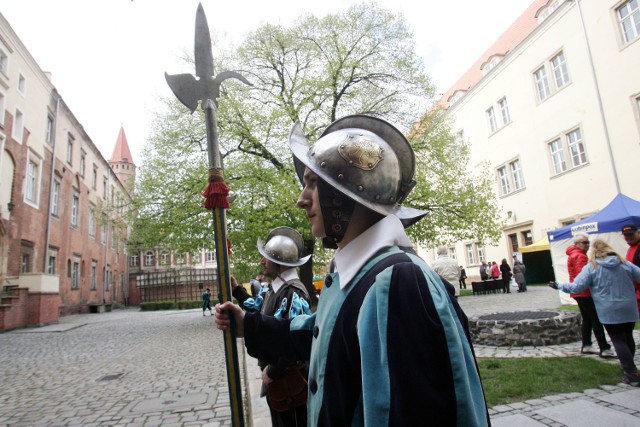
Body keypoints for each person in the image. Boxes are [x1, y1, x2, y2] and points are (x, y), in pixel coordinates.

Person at [216, 115, 490, 426]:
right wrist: (249, 325)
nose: (301, 200)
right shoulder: (362, 275)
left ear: (342, 190)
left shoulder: (398, 282)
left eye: (312, 182)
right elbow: (323, 330)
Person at [231, 226, 312, 427]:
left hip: (289, 380)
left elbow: (293, 341)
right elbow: (258, 310)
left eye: (266, 257)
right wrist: (237, 291)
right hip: (277, 380)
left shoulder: (293, 292)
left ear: (278, 261)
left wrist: (273, 371)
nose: (262, 261)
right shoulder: (276, 287)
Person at [550, 238, 640, 386]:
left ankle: (631, 373)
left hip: (608, 309)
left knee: (617, 339)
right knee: (627, 335)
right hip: (628, 307)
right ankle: (631, 368)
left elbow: (577, 286)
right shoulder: (625, 263)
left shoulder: (592, 266)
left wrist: (559, 285)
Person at [565, 232, 612, 358]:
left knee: (587, 319)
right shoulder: (579, 256)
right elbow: (584, 276)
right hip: (584, 292)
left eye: (588, 242)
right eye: (585, 243)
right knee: (595, 318)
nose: (587, 245)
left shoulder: (575, 254)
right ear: (577, 244)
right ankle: (604, 347)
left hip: (579, 292)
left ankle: (586, 345)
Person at [621, 223, 640, 312]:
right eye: (626, 235)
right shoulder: (631, 248)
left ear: (638, 232)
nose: (628, 237)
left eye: (631, 234)